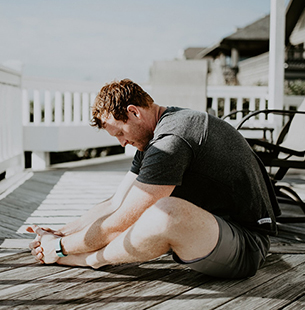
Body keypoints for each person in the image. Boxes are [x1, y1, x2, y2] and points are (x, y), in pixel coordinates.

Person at [27, 79, 280, 279]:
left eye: (120, 133)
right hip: (212, 232)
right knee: (146, 209)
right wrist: (59, 232)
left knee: (164, 213)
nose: (122, 142)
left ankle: (89, 260)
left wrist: (62, 248)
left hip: (246, 245)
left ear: (134, 112)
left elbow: (120, 222)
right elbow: (116, 203)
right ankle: (76, 253)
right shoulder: (152, 139)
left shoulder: (172, 139)